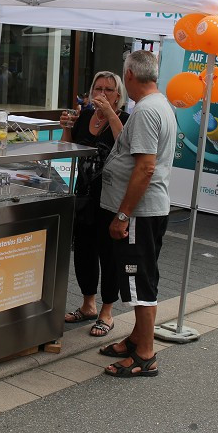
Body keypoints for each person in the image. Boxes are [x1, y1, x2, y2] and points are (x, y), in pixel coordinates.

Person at [96, 50, 176, 378]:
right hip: (145, 213)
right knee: (141, 276)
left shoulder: (145, 111)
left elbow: (145, 167)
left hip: (139, 215)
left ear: (128, 76)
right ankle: (136, 339)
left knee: (139, 281)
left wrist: (123, 215)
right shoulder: (158, 105)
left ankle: (145, 354)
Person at [61, 71, 130, 338]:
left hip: (111, 197)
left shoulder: (124, 119)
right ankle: (88, 304)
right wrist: (67, 127)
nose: (101, 94)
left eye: (109, 90)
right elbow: (67, 150)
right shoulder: (85, 118)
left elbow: (126, 146)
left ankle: (107, 312)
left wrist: (111, 114)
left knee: (109, 254)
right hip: (84, 194)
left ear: (118, 96)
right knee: (84, 251)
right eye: (97, 88)